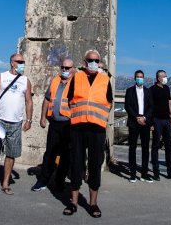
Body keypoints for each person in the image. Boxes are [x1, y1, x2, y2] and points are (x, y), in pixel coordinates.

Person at [63, 50, 112, 218]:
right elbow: (70, 100)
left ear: (99, 62)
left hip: (97, 129)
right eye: (90, 60)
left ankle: (93, 203)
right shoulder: (76, 77)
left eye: (95, 60)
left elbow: (109, 103)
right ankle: (74, 202)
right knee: (76, 164)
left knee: (94, 165)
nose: (93, 62)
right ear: (84, 62)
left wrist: (98, 116)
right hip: (78, 127)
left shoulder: (105, 80)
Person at [0, 53, 33, 196]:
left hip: (16, 122)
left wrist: (29, 120)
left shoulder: (25, 80)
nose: (22, 63)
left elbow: (29, 101)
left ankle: (5, 183)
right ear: (12, 62)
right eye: (19, 61)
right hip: (0, 121)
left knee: (11, 154)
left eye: (23, 61)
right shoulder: (2, 77)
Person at [32, 58, 75, 192]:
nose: (64, 70)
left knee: (65, 155)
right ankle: (43, 180)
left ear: (73, 69)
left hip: (68, 124)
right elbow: (47, 99)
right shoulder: (55, 80)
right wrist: (43, 117)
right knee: (50, 153)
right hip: (54, 123)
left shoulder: (77, 82)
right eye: (62, 67)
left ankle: (59, 181)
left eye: (67, 68)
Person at [150, 69, 171, 181]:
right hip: (156, 120)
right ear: (159, 78)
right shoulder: (152, 90)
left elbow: (170, 103)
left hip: (167, 120)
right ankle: (156, 171)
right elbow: (150, 106)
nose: (166, 78)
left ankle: (170, 171)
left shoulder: (167, 88)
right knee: (155, 146)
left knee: (168, 146)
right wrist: (151, 122)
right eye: (164, 76)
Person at [124, 70, 153, 183]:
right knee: (132, 148)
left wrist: (144, 117)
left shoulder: (148, 91)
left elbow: (151, 106)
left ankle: (144, 174)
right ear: (134, 78)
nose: (139, 79)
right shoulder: (129, 91)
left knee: (145, 148)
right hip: (134, 121)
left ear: (144, 78)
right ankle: (132, 174)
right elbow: (127, 106)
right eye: (138, 77)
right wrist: (137, 117)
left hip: (145, 122)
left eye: (141, 77)